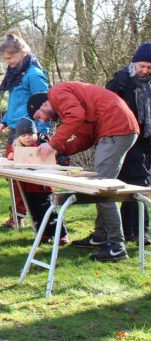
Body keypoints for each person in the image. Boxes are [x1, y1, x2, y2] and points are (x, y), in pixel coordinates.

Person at [28, 82, 139, 261]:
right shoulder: (74, 107)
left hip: (116, 128)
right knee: (101, 186)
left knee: (102, 188)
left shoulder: (56, 93)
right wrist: (58, 150)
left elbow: (76, 116)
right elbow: (84, 139)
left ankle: (117, 246)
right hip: (117, 128)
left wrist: (52, 144)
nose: (42, 121)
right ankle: (101, 236)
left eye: (38, 116)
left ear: (43, 104)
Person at [0, 30, 49, 227]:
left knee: (34, 181)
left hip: (31, 134)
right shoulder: (15, 74)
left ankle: (42, 220)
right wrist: (3, 122)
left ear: (23, 52)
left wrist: (41, 134)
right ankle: (17, 216)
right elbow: (16, 104)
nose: (8, 61)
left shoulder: (34, 74)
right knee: (13, 177)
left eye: (11, 57)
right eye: (6, 58)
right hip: (15, 131)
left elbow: (44, 103)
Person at [106, 42, 151, 245]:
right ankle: (139, 230)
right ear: (134, 63)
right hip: (125, 137)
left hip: (146, 140)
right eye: (142, 65)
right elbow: (108, 107)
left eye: (149, 68)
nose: (145, 71)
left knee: (137, 183)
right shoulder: (120, 80)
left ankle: (134, 230)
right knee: (134, 183)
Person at [5, 117, 69, 244]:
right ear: (19, 138)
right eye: (24, 135)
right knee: (34, 212)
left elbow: (51, 160)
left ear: (35, 134)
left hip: (42, 187)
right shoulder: (17, 148)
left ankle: (61, 235)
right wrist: (12, 157)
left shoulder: (42, 145)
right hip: (27, 188)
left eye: (30, 134)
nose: (28, 138)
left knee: (48, 212)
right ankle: (43, 234)